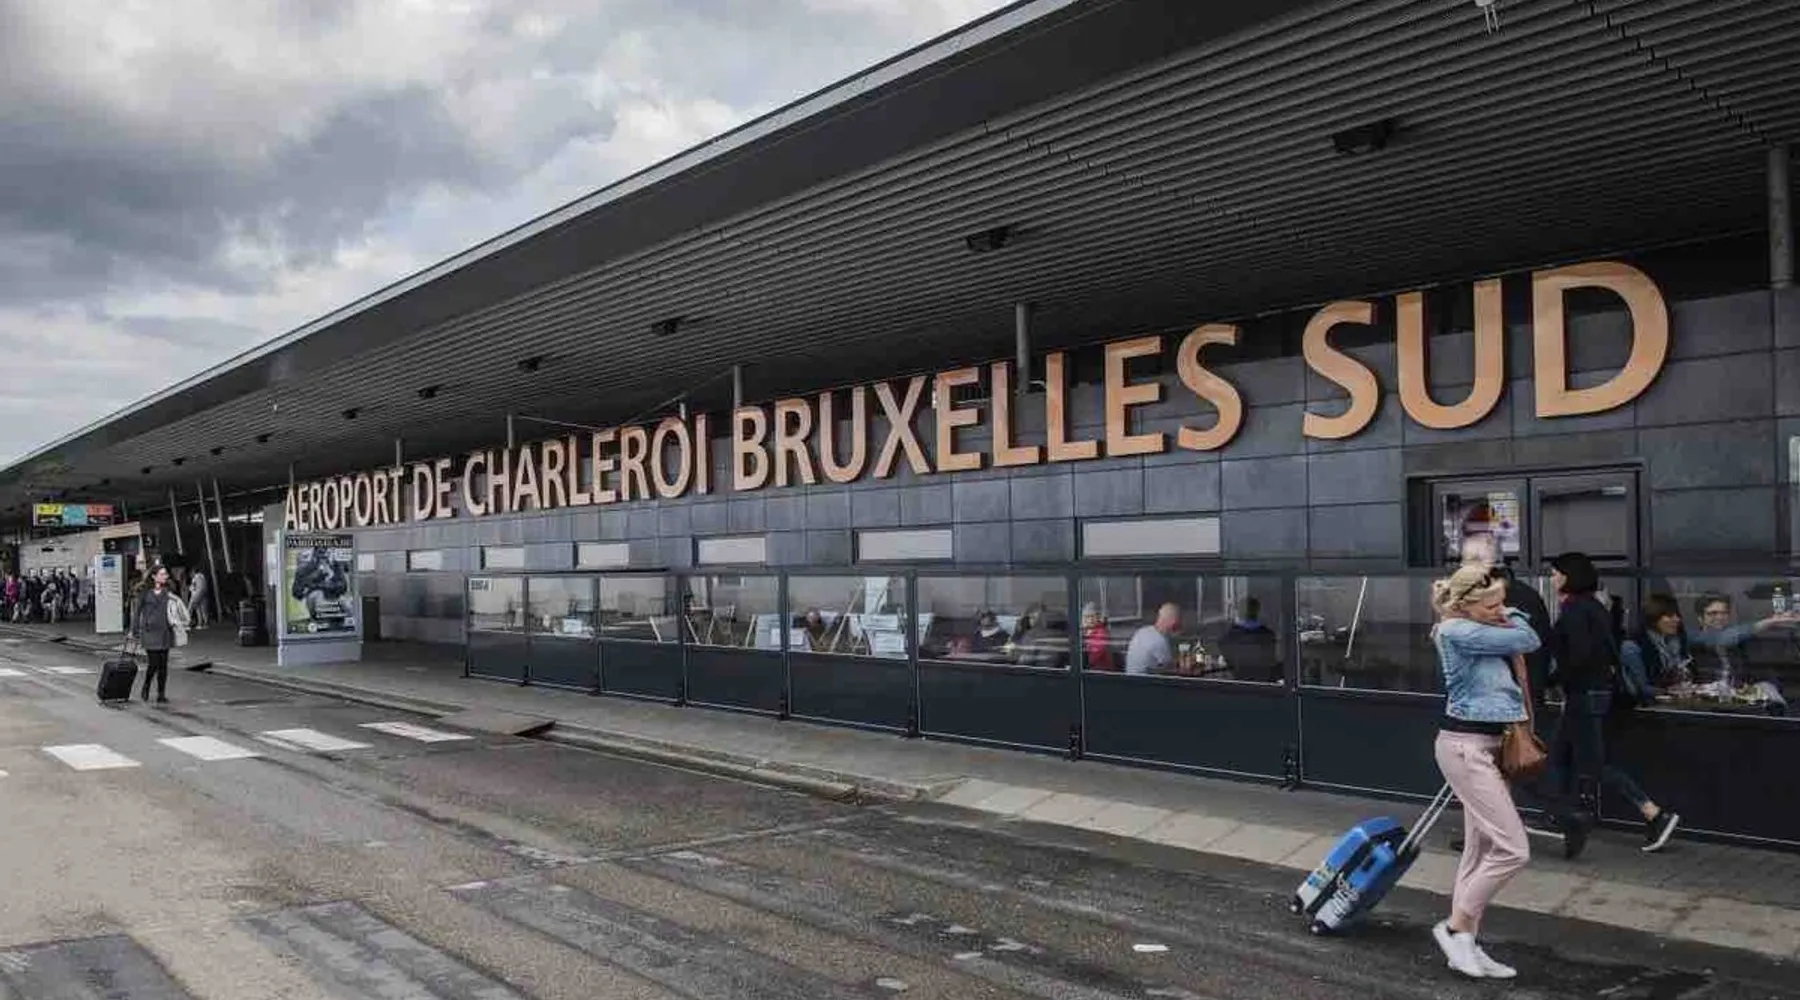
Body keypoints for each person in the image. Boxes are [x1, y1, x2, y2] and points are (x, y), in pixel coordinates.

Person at [1428, 563, 1541, 979]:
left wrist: (1501, 611)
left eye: (1502, 602)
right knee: (1513, 849)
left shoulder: (1479, 627)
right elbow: (1528, 637)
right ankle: (1454, 928)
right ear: (1465, 605)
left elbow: (1521, 635)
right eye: (1491, 605)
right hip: (1466, 748)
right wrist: (1512, 616)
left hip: (1491, 745)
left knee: (1479, 851)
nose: (1500, 610)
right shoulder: (1457, 630)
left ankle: (1467, 945)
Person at [1546, 552, 1680, 853]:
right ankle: (1566, 817)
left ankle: (1654, 813)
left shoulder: (1575, 609)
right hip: (1594, 694)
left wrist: (1551, 680)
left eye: (1555, 573)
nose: (1552, 579)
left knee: (1592, 764)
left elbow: (1579, 656)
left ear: (1567, 576)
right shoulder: (1595, 606)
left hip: (1583, 695)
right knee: (1560, 758)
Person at [130, 565, 182, 704]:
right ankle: (146, 685)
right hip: (149, 632)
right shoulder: (144, 592)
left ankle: (161, 693)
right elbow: (137, 612)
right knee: (153, 663)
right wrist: (134, 630)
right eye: (162, 574)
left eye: (166, 574)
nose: (165, 576)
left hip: (165, 631)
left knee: (163, 665)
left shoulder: (168, 591)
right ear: (154, 576)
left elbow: (175, 608)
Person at [1124, 603, 1181, 675]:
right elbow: (1171, 666)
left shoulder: (1142, 631)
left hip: (1130, 678)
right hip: (1144, 680)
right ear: (1174, 622)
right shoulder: (1159, 641)